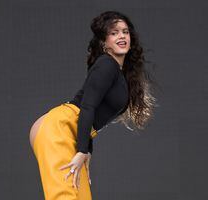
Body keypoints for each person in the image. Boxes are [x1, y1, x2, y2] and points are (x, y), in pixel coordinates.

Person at [29, 10, 157, 200]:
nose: (121, 36)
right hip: (59, 129)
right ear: (104, 42)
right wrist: (82, 149)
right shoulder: (106, 64)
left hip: (72, 132)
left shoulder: (118, 72)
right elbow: (87, 107)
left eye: (125, 31)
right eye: (114, 33)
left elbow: (90, 114)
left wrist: (86, 150)